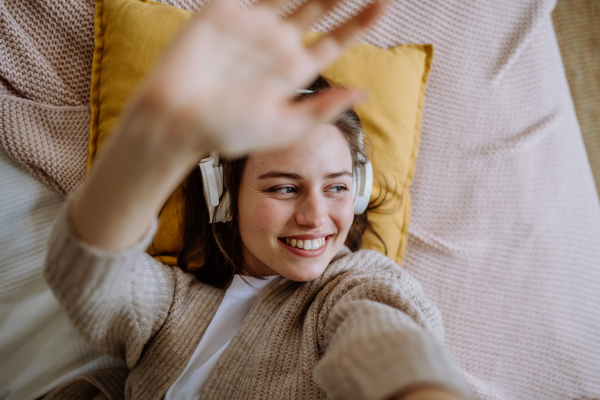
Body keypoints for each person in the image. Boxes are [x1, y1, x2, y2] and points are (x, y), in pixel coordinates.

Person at [42, 0, 475, 398]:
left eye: (337, 187)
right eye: (284, 188)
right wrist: (156, 142)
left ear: (359, 192)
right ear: (224, 196)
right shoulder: (171, 305)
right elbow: (89, 271)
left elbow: (390, 342)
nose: (315, 216)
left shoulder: (353, 288)